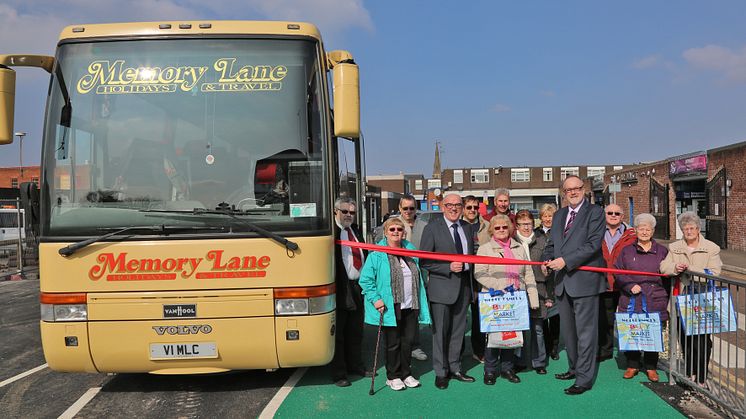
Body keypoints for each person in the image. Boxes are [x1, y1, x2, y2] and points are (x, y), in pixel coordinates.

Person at [542, 175, 606, 395]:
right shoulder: (559, 215)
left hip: (584, 283)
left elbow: (593, 245)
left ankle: (584, 379)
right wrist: (547, 261)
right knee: (568, 333)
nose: (573, 192)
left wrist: (565, 261)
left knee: (586, 333)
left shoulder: (595, 213)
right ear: (564, 193)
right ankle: (573, 368)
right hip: (562, 283)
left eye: (576, 188)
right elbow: (551, 245)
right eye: (568, 190)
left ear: (583, 189)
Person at [359, 217, 431, 391]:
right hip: (391, 305)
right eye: (392, 229)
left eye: (399, 229)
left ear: (404, 232)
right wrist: (376, 299)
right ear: (385, 232)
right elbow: (366, 280)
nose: (396, 232)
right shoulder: (377, 253)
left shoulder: (410, 249)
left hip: (410, 304)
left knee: (407, 342)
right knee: (393, 343)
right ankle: (392, 376)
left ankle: (406, 373)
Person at [419, 192, 476, 389]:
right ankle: (441, 372)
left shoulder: (467, 227)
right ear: (442, 206)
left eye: (458, 205)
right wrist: (447, 267)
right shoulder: (432, 228)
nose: (454, 208)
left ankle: (455, 368)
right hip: (441, 289)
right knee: (441, 333)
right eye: (450, 205)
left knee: (458, 332)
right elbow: (424, 261)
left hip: (464, 288)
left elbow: (472, 257)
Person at [660, 211, 723, 386]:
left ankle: (701, 376)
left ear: (698, 229)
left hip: (702, 300)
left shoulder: (711, 247)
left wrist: (690, 270)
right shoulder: (674, 247)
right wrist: (674, 266)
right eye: (685, 228)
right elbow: (663, 267)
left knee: (702, 340)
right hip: (681, 299)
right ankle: (689, 372)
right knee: (685, 338)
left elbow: (715, 273)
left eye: (692, 228)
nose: (689, 231)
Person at [475, 215, 540, 384]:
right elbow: (479, 273)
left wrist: (533, 299)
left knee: (511, 336)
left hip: (516, 298)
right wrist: (499, 286)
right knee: (493, 337)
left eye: (505, 227)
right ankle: (489, 370)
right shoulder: (485, 249)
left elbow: (529, 273)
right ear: (492, 230)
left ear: (510, 229)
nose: (502, 230)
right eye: (497, 228)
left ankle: (507, 369)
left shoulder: (519, 248)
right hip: (495, 298)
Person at [614, 213, 669, 382]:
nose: (644, 232)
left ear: (652, 231)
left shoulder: (662, 251)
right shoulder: (626, 250)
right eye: (641, 228)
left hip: (654, 298)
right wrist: (630, 286)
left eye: (648, 229)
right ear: (636, 230)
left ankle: (651, 367)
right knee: (632, 331)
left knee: (652, 333)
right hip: (631, 298)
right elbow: (618, 271)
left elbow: (667, 273)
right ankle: (633, 365)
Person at [374, 195, 430, 361]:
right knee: (395, 322)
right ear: (399, 209)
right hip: (394, 277)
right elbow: (380, 248)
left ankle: (415, 345)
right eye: (405, 208)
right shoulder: (392, 225)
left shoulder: (424, 225)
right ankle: (394, 354)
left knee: (413, 314)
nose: (408, 211)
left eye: (412, 208)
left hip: (417, 274)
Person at [331, 197, 369, 387]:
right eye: (344, 211)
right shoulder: (332, 232)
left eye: (352, 212)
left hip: (357, 287)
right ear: (335, 211)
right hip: (339, 287)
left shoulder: (356, 231)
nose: (348, 215)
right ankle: (340, 373)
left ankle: (356, 366)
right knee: (340, 333)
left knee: (356, 331)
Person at [514, 209, 553, 374]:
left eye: (529, 224)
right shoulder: (510, 242)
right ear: (517, 225)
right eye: (523, 224)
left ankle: (539, 362)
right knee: (518, 327)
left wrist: (549, 294)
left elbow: (551, 267)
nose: (526, 227)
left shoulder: (542, 240)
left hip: (539, 287)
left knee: (538, 328)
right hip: (517, 288)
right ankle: (519, 361)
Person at [598, 203, 637, 363]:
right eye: (609, 213)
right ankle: (605, 350)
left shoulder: (632, 235)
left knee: (628, 319)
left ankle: (630, 355)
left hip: (625, 284)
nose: (613, 215)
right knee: (605, 320)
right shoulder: (596, 233)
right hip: (604, 283)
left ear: (622, 216)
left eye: (617, 213)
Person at [462, 195, 491, 363]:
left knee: (480, 316)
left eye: (475, 207)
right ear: (464, 209)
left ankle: (479, 350)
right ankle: (457, 353)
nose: (472, 210)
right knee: (459, 317)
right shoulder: (458, 225)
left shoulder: (487, 226)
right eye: (469, 207)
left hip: (481, 277)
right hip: (462, 276)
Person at [536, 203, 561, 360]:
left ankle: (555, 347)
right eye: (544, 216)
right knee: (542, 314)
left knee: (556, 315)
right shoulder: (535, 234)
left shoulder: (559, 233)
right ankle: (545, 345)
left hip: (556, 277)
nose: (547, 219)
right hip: (540, 277)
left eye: (550, 216)